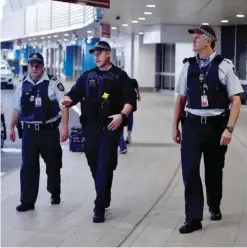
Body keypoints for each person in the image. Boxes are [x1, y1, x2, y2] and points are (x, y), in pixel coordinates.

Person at [172, 25, 243, 234]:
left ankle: (214, 204)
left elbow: (236, 100)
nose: (194, 40)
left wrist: (229, 129)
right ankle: (193, 218)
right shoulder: (188, 66)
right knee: (190, 170)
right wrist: (175, 125)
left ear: (209, 41)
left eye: (197, 37)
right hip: (192, 124)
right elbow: (181, 98)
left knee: (214, 170)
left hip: (216, 126)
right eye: (193, 37)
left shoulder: (224, 66)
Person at [59, 41, 136, 223]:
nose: (96, 56)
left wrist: (121, 116)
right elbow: (74, 94)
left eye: (100, 53)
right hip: (90, 128)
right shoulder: (87, 76)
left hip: (110, 127)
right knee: (95, 164)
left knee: (104, 164)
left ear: (108, 53)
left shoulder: (120, 76)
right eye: (94, 53)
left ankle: (99, 205)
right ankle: (104, 193)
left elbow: (130, 101)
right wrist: (67, 99)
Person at [9, 53, 69, 212]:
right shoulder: (22, 83)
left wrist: (64, 127)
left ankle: (55, 192)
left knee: (54, 165)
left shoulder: (53, 82)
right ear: (28, 66)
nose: (34, 68)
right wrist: (11, 127)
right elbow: (17, 107)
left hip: (48, 132)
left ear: (43, 66)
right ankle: (27, 201)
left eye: (38, 65)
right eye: (32, 65)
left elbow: (64, 105)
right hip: (29, 132)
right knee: (28, 167)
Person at [119, 78, 141, 153]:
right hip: (127, 104)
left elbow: (108, 92)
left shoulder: (118, 83)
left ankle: (123, 141)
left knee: (121, 122)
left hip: (124, 105)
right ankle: (125, 138)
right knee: (125, 120)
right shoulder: (131, 82)